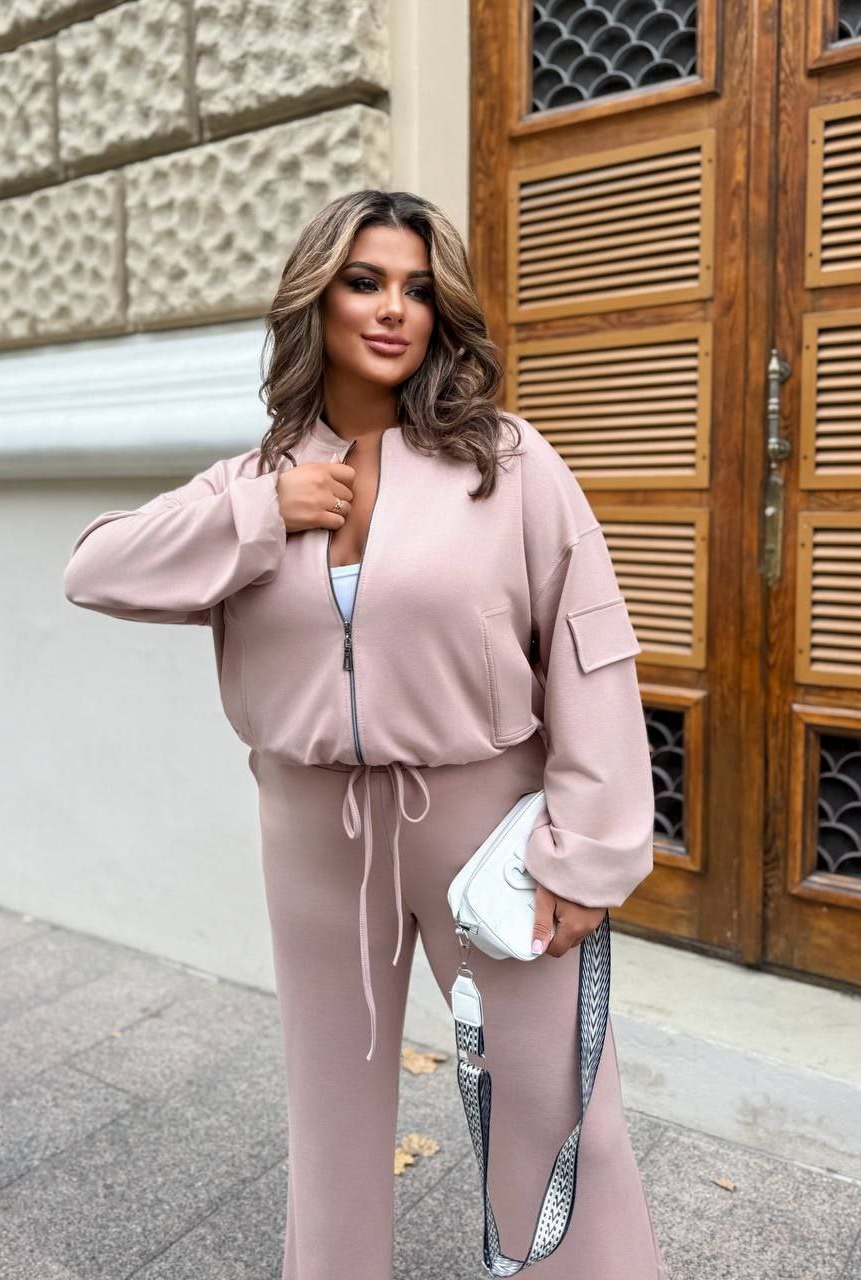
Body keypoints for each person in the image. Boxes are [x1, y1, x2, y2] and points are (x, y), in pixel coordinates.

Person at [62, 189, 667, 1280]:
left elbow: (589, 649)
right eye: (364, 281)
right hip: (313, 830)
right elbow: (95, 567)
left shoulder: (505, 462)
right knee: (330, 1119)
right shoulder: (260, 477)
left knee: (554, 1108)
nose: (394, 308)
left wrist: (589, 850)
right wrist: (264, 514)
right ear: (316, 298)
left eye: (417, 289)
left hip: (482, 822)